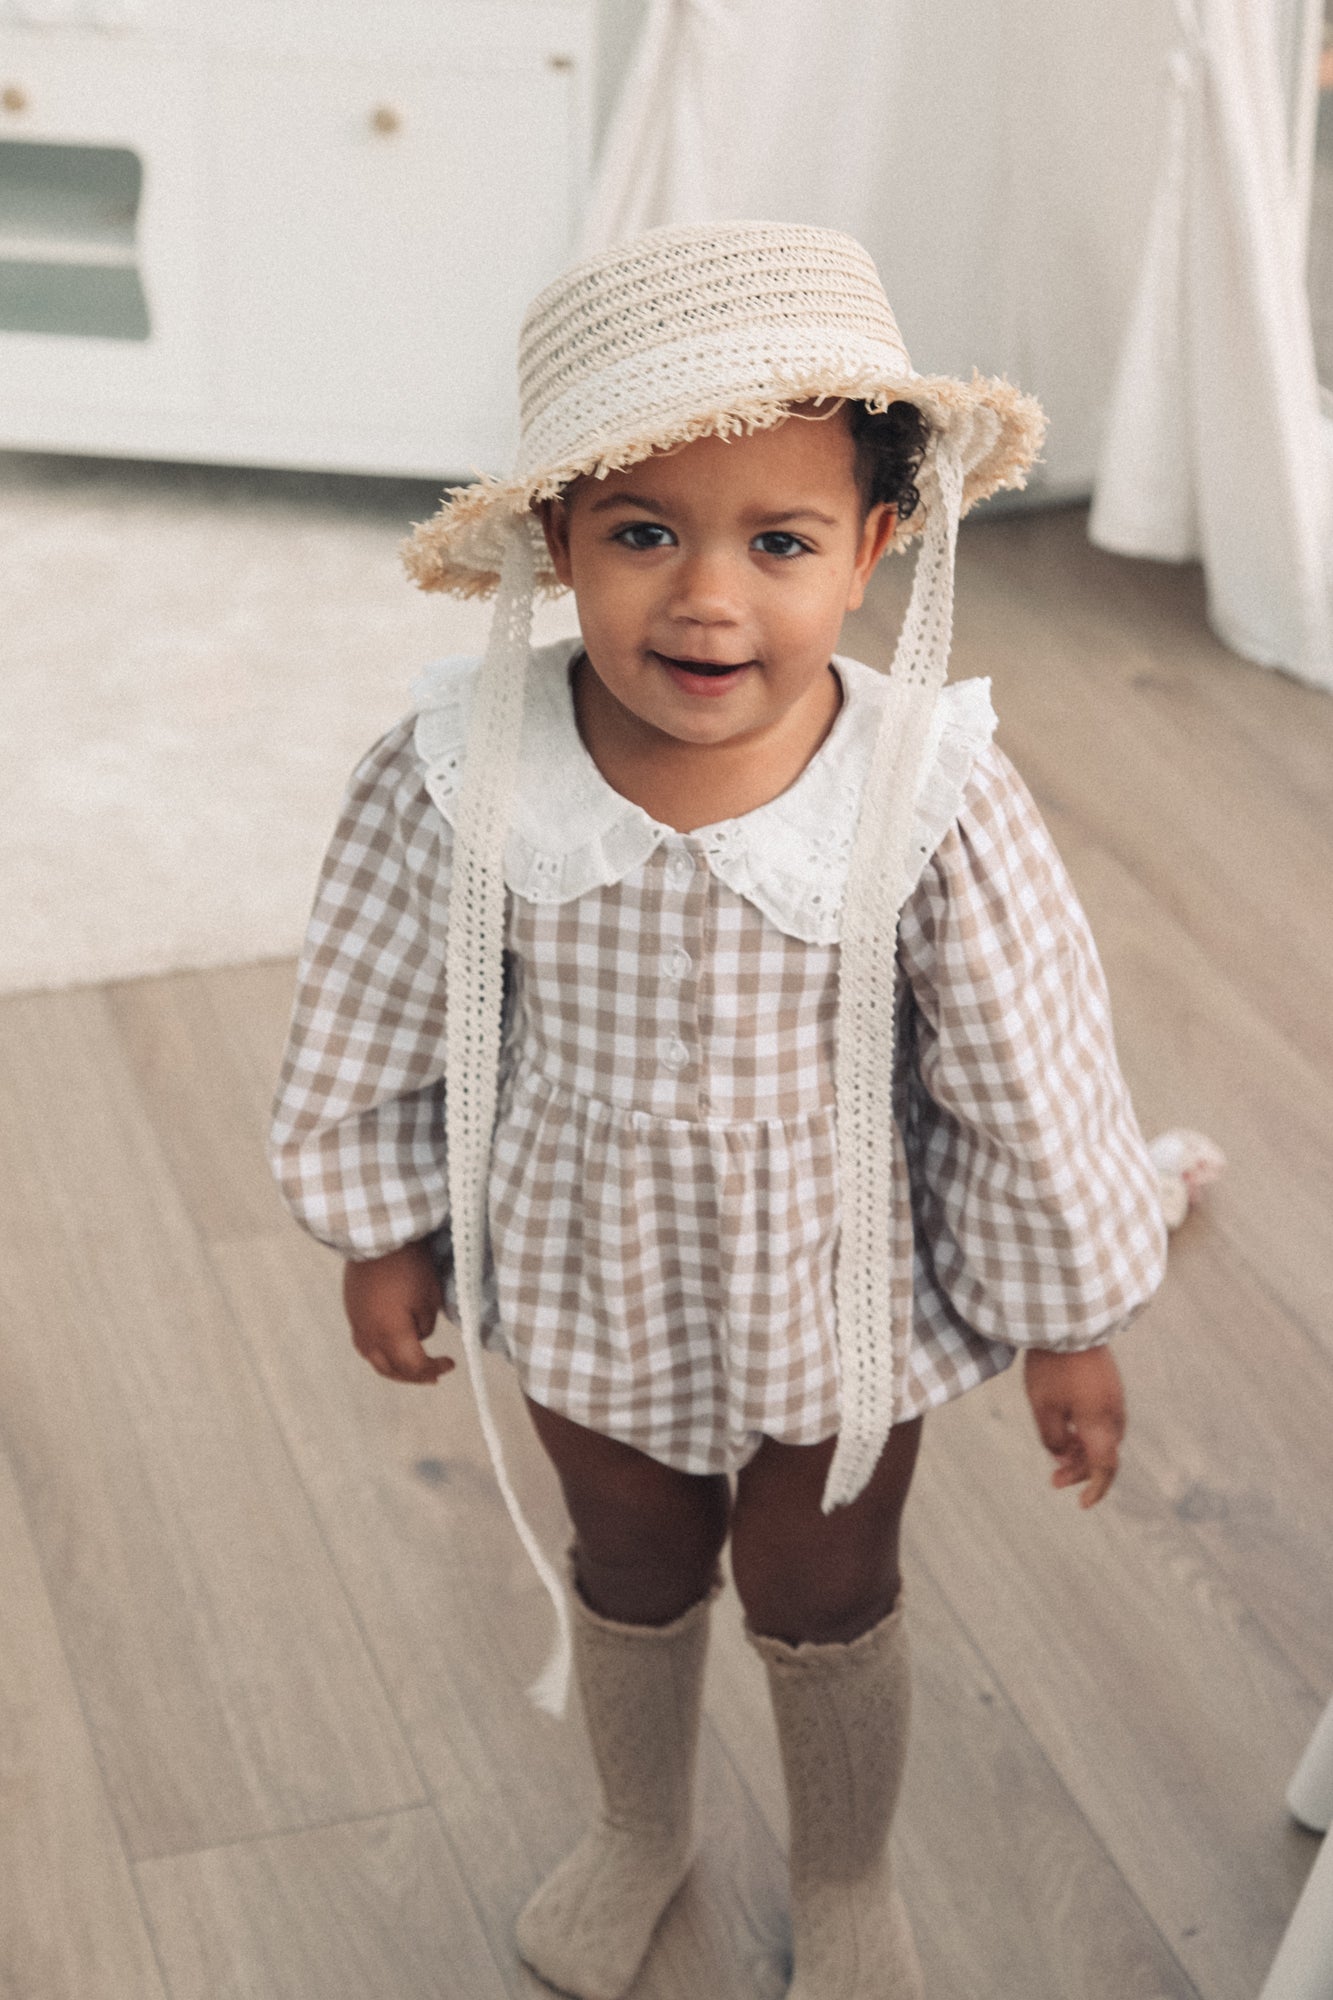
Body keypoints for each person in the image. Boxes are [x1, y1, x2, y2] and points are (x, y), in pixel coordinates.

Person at [269, 222, 1168, 2000]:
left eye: (778, 542)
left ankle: (842, 1878)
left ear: (872, 551)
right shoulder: (463, 772)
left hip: (838, 1289)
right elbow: (375, 1001)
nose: (705, 599)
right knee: (628, 1555)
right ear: (554, 540)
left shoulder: (927, 798)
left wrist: (1067, 1318)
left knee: (823, 1589)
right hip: (581, 1263)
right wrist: (383, 1223)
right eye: (642, 534)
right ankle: (637, 1826)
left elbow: (1023, 1067)